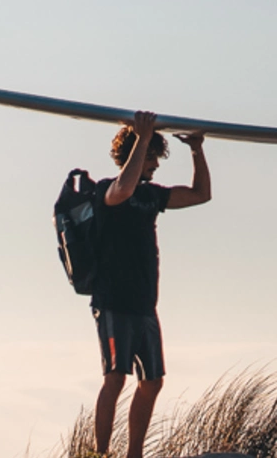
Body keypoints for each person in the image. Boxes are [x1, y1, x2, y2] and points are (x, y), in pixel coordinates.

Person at [88, 111, 211, 457]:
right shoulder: (107, 191)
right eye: (152, 157)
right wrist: (142, 138)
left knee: (152, 382)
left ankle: (134, 454)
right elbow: (123, 189)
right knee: (115, 378)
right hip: (113, 301)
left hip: (145, 305)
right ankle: (101, 454)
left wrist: (197, 150)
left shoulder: (153, 196)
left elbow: (202, 194)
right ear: (135, 154)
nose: (155, 164)